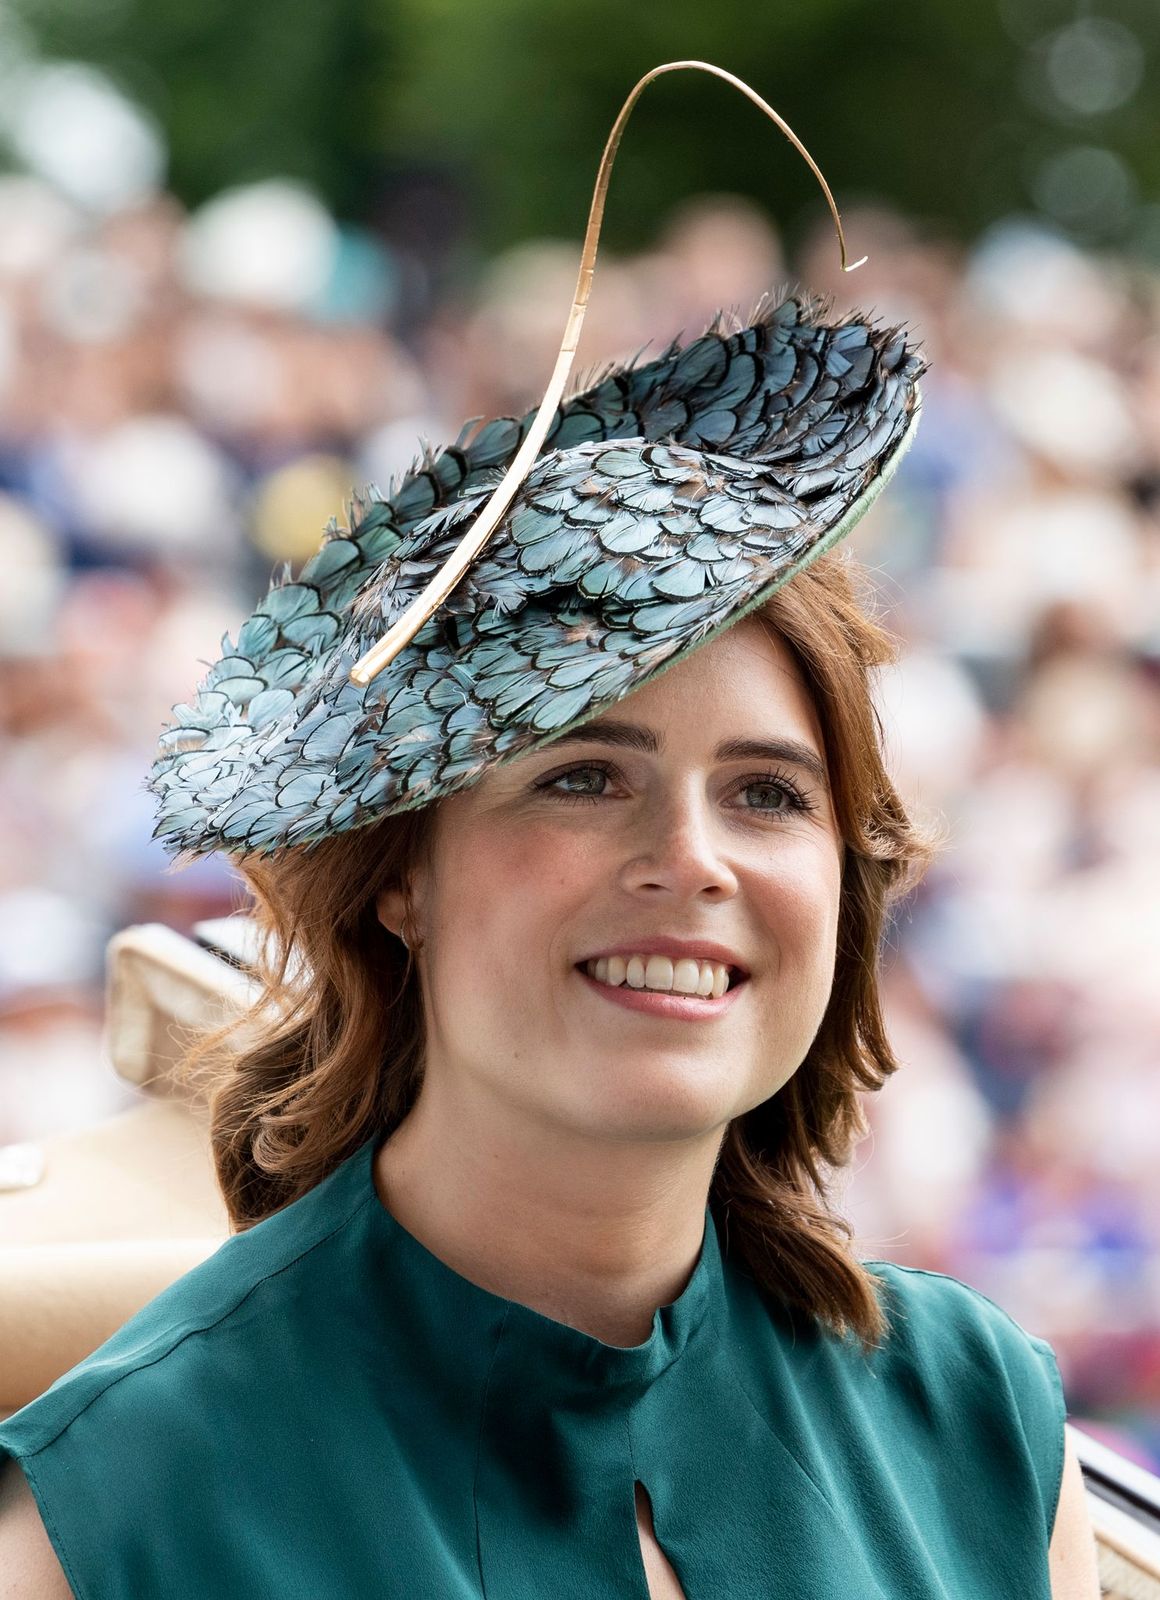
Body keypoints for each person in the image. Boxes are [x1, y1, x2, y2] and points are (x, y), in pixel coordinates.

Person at [0, 61, 1101, 1600]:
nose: (694, 859)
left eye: (771, 793)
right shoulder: (117, 1514)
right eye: (584, 774)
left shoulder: (985, 1428)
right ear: (403, 880)